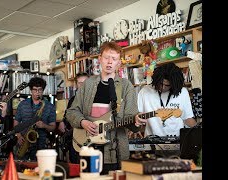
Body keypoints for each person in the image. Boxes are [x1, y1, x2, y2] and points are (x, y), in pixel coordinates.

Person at [66, 42, 147, 174]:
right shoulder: (88, 84)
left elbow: (132, 121)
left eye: (114, 59)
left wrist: (137, 121)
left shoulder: (126, 86)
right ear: (99, 59)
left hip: (114, 151)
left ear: (119, 63)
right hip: (88, 148)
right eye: (106, 58)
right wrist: (83, 122)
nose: (109, 62)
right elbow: (71, 111)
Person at [137, 62, 196, 137]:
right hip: (151, 141)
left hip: (177, 140)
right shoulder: (144, 91)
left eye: (167, 85)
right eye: (160, 84)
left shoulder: (182, 92)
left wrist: (198, 131)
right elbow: (138, 117)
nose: (163, 87)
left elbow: (187, 118)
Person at [13, 77, 56, 161]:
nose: (37, 93)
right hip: (23, 142)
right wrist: (18, 136)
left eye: (40, 90)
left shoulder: (49, 106)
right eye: (35, 90)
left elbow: (53, 127)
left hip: (41, 144)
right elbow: (16, 122)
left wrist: (44, 125)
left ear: (43, 90)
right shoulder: (22, 104)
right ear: (30, 90)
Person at [57, 72, 89, 164]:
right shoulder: (73, 99)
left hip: (91, 137)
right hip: (75, 137)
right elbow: (68, 114)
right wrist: (63, 121)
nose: (83, 85)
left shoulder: (97, 98)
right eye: (80, 83)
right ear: (76, 85)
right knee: (75, 163)